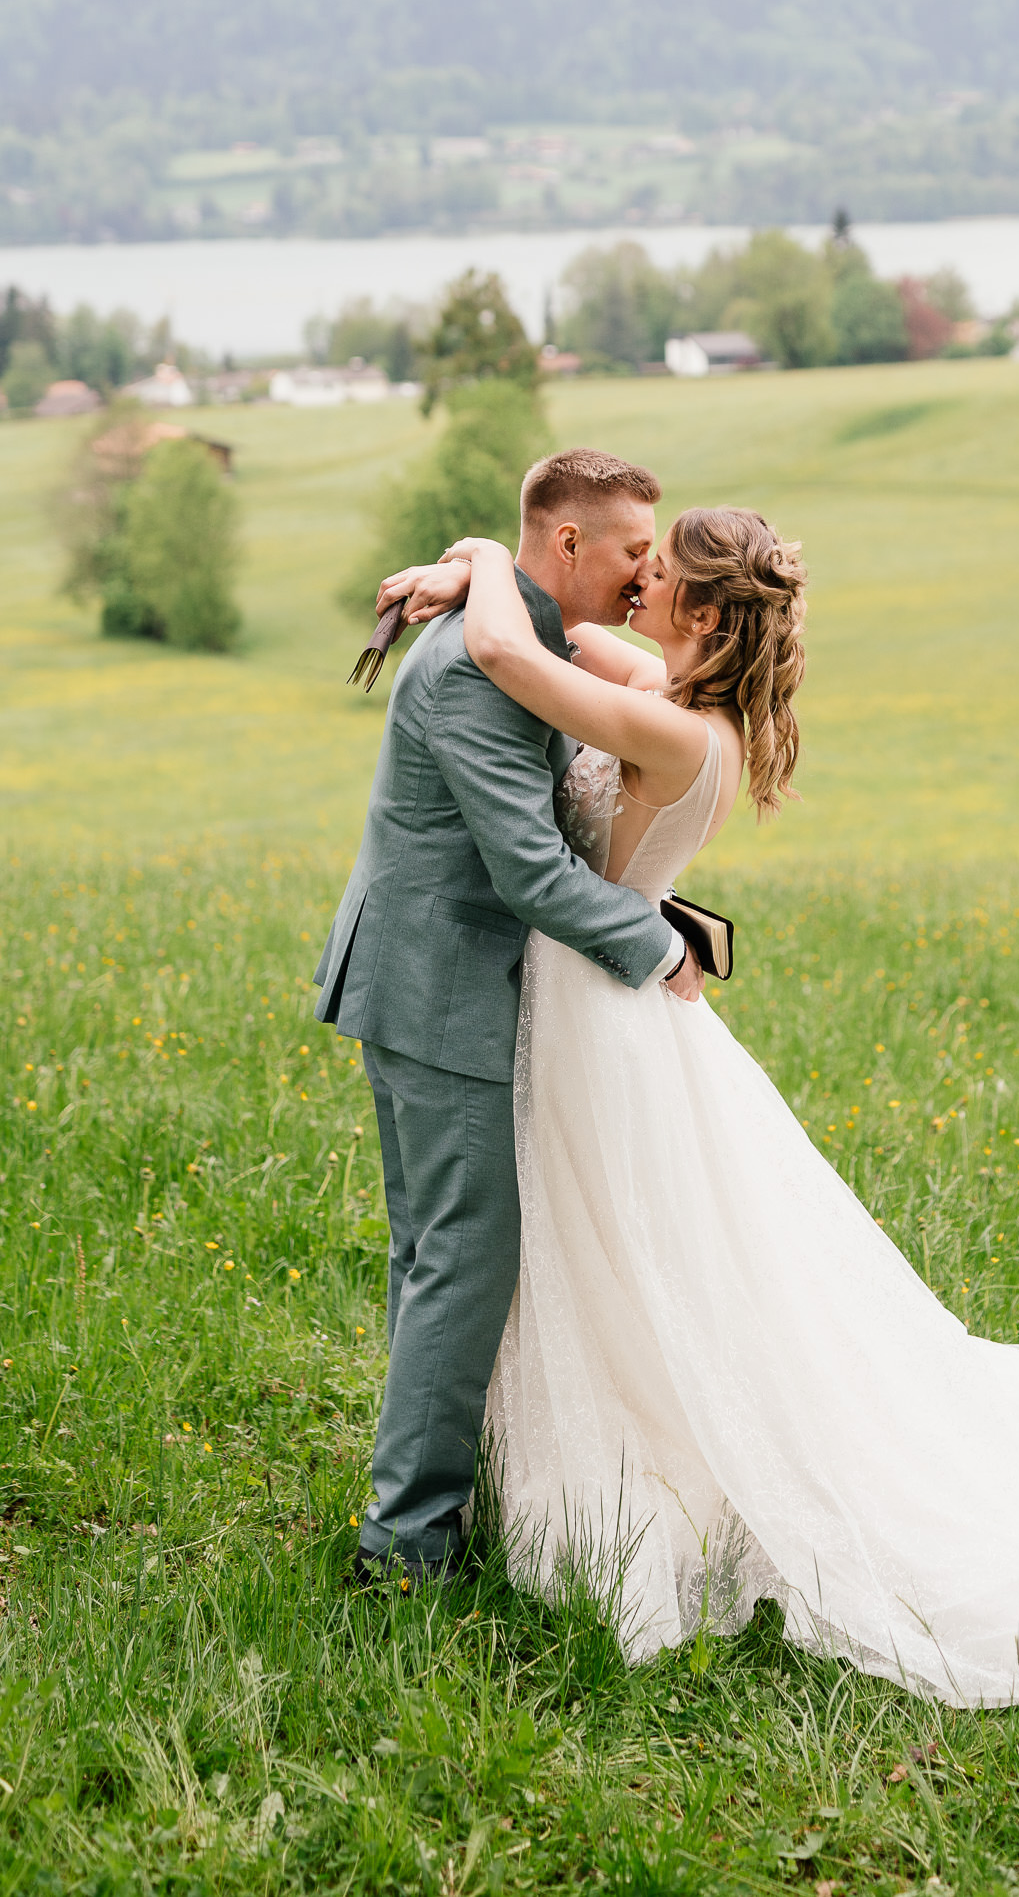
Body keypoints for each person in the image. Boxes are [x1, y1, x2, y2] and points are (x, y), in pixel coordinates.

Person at [380, 500, 1019, 1714]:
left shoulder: (666, 728)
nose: (633, 586)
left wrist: (475, 558)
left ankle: (628, 1480)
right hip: (604, 1012)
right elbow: (561, 643)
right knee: (625, 1260)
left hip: (600, 1007)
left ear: (698, 608)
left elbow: (507, 655)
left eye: (655, 574)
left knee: (625, 1255)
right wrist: (482, 561)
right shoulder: (680, 705)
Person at [313, 449, 704, 1584]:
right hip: (440, 988)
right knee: (464, 1259)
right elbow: (530, 871)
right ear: (570, 545)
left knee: (438, 1251)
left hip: (428, 976)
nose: (645, 571)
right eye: (636, 548)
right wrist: (655, 941)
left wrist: (478, 552)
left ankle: (435, 1489)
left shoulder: (523, 638)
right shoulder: (480, 671)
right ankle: (407, 1547)